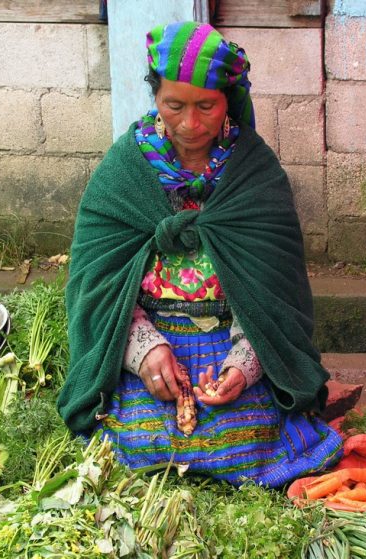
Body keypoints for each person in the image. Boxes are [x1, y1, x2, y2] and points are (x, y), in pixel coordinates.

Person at [58, 21, 342, 488]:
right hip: (152, 336)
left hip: (232, 337)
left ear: (228, 98)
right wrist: (145, 349)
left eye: (206, 106)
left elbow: (276, 291)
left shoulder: (253, 170)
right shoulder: (124, 171)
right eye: (174, 105)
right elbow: (96, 282)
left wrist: (245, 364)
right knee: (135, 437)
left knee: (245, 434)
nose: (190, 124)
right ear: (155, 98)